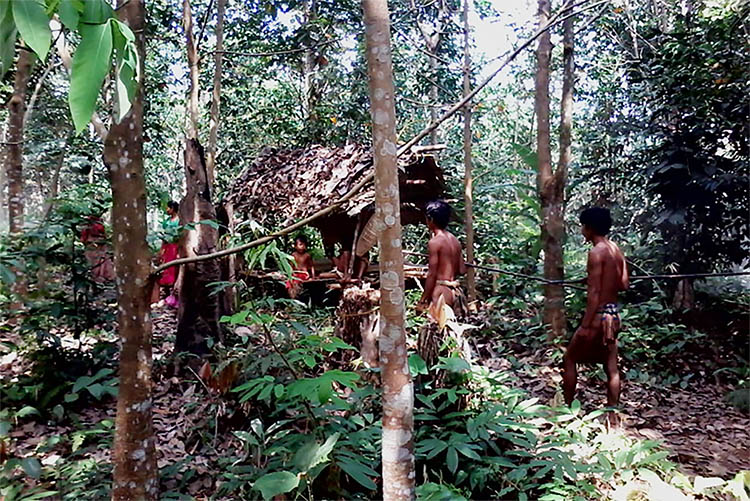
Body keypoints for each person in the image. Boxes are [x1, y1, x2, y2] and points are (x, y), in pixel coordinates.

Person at [563, 207, 629, 420]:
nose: (582, 230)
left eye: (583, 226)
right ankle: (613, 416)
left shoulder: (595, 252)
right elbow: (624, 284)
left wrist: (585, 326)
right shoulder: (615, 249)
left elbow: (594, 294)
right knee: (611, 367)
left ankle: (568, 411)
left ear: (589, 228)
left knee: (570, 358)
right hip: (613, 316)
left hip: (598, 317)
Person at [417, 200, 467, 319]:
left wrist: (423, 299)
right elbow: (462, 269)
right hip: (455, 292)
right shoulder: (455, 240)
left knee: (435, 332)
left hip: (441, 292)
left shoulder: (435, 242)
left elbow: (432, 274)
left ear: (430, 219)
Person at [152, 201, 181, 307]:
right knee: (165, 269)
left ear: (173, 208)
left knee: (173, 269)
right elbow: (164, 237)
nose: (167, 210)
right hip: (167, 247)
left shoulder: (179, 221)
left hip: (174, 247)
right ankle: (167, 295)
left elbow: (180, 237)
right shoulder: (167, 221)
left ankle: (174, 295)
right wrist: (161, 250)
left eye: (168, 208)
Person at [80, 214, 115, 282]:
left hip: (96, 245)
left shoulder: (96, 225)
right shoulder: (88, 226)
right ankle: (99, 277)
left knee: (101, 261)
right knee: (97, 261)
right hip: (92, 245)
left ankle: (101, 276)